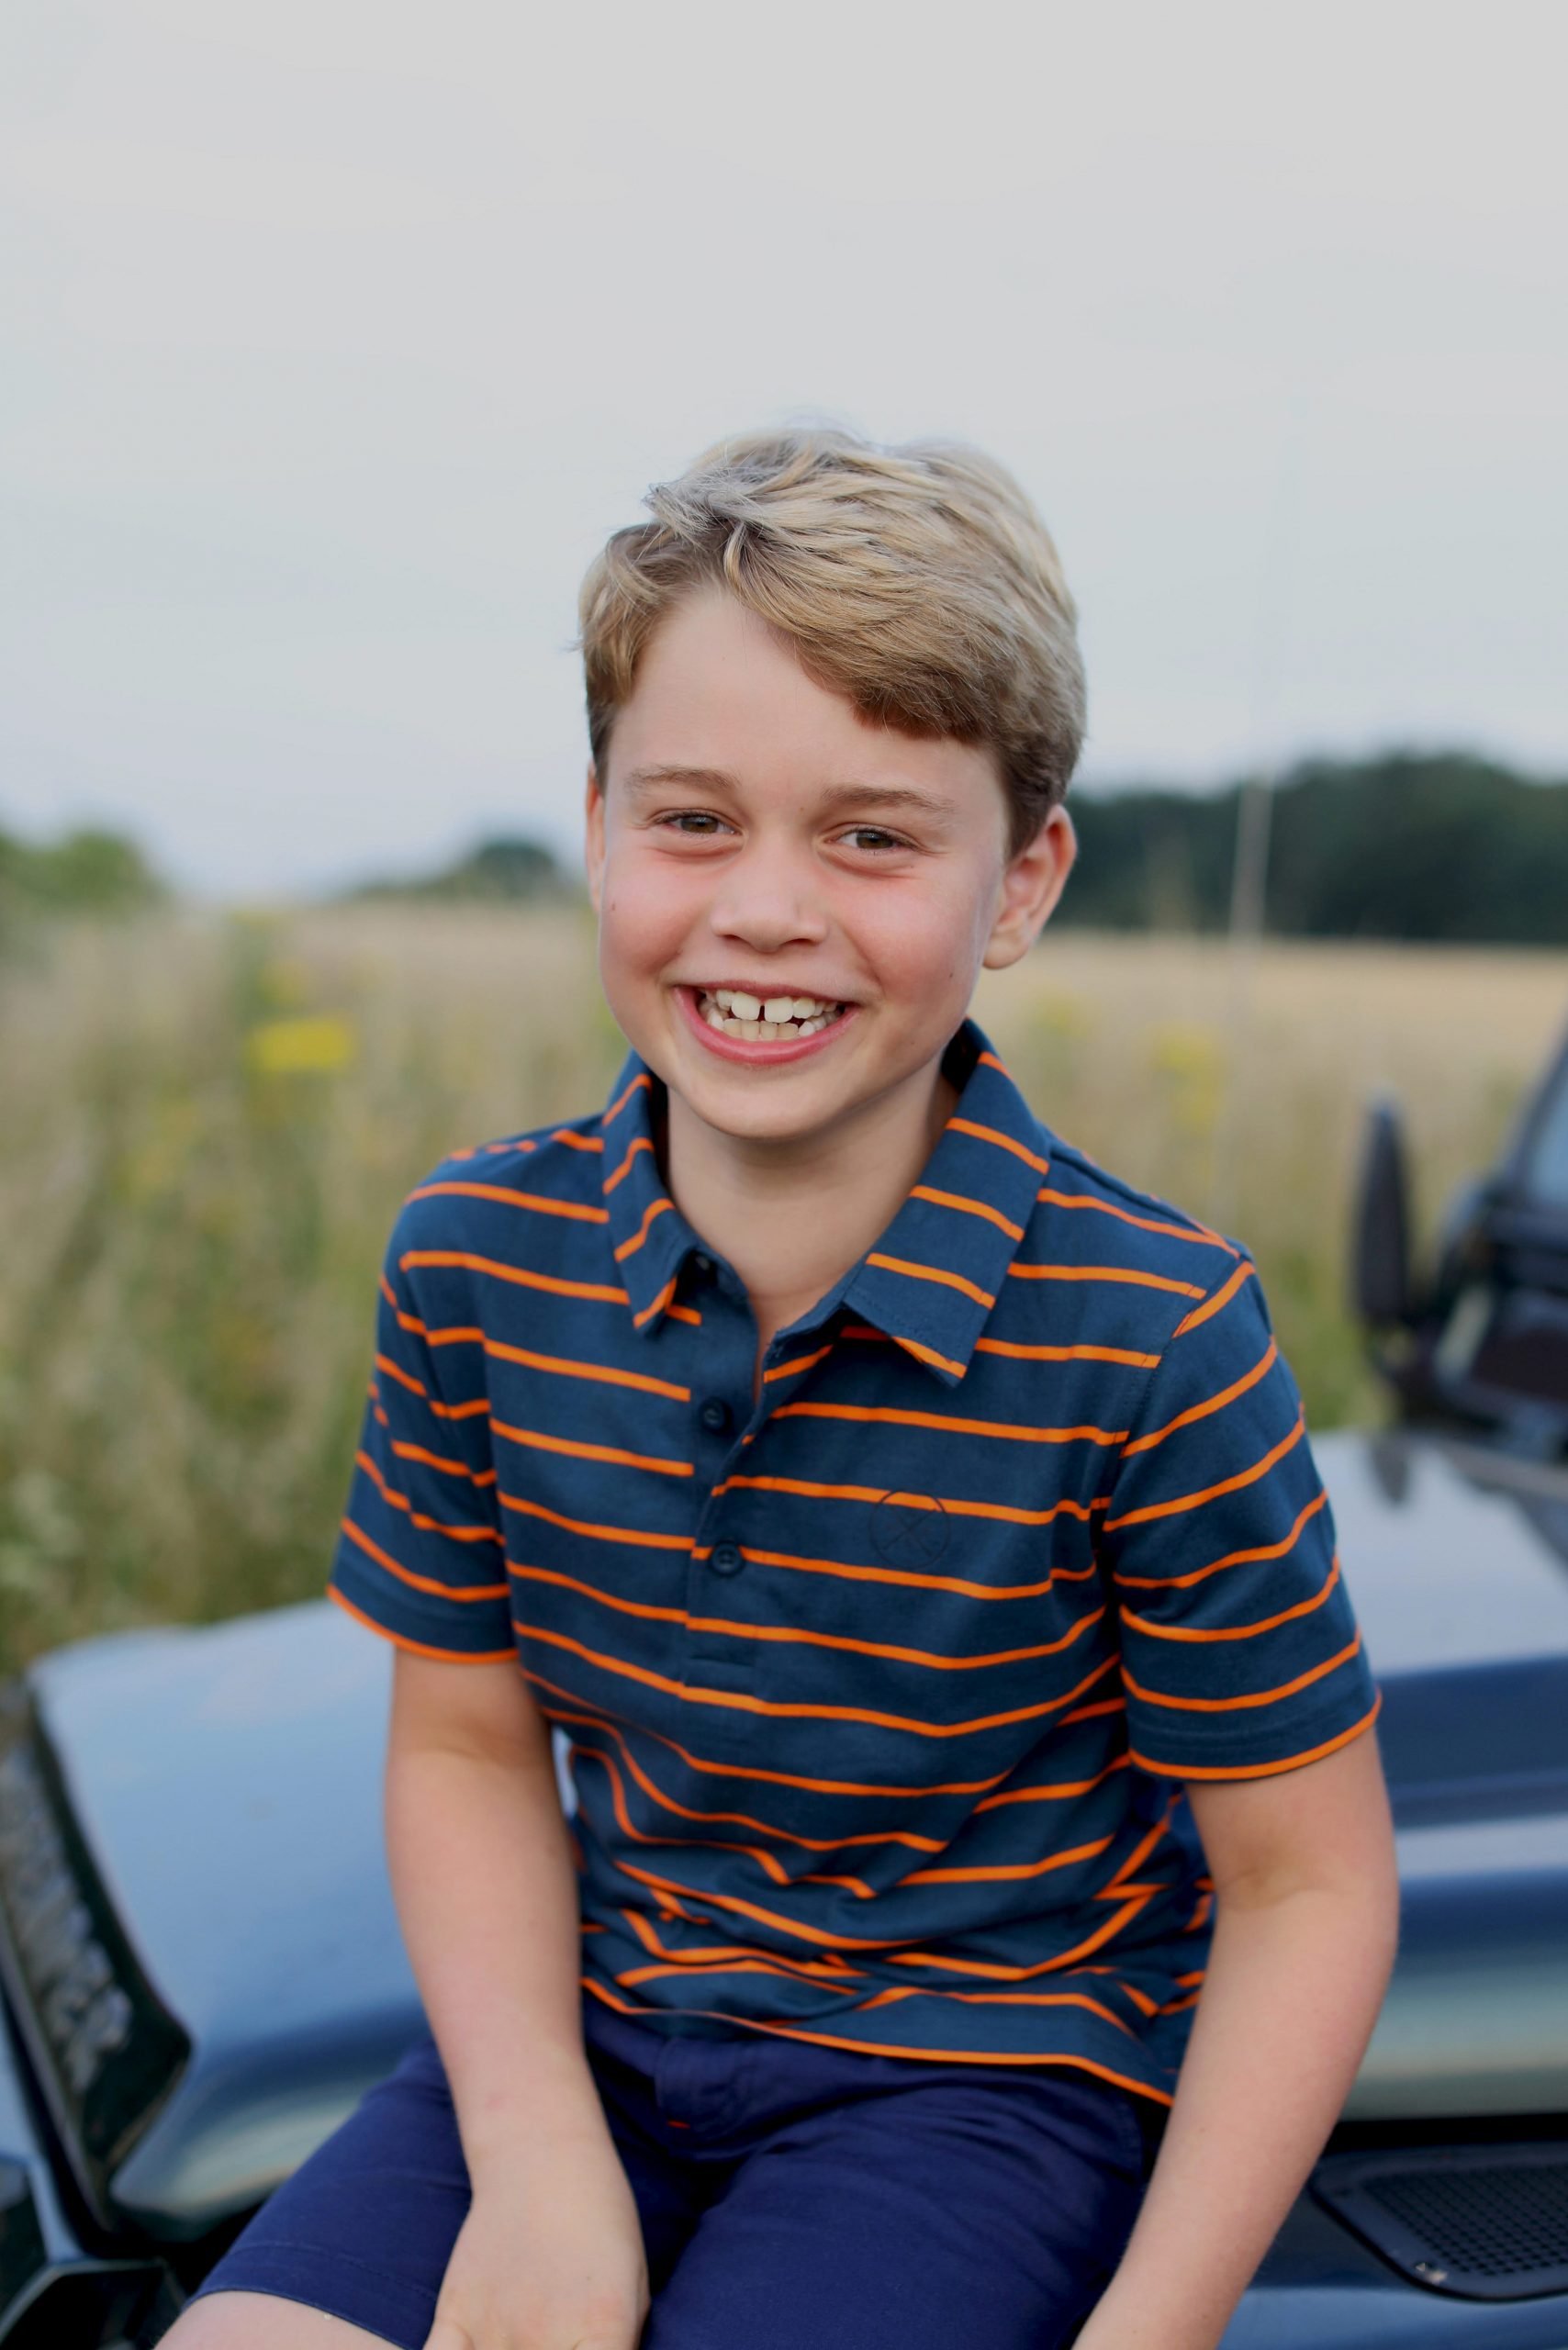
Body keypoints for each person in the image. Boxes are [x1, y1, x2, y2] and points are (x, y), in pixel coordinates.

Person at [170, 429, 1399, 2350]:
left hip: (973, 2085)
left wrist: (1146, 2334)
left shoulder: (1154, 1337)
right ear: (593, 825)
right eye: (690, 819)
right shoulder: (475, 1258)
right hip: (584, 2041)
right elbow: (471, 1749)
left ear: (1021, 876)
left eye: (870, 833)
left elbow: (1305, 1885)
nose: (762, 907)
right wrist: (536, 2158)